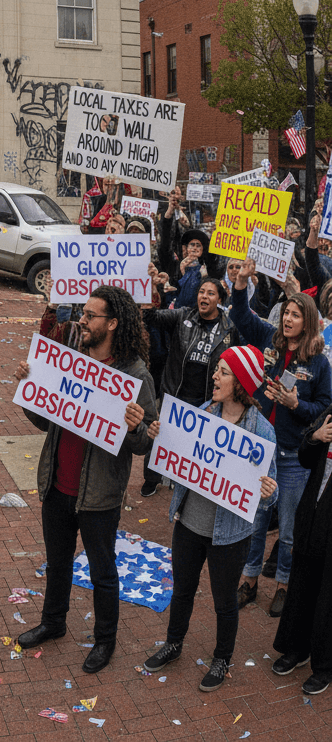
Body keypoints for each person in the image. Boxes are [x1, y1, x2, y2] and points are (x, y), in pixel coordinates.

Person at [14, 286, 156, 674]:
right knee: (58, 563)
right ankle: (53, 622)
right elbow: (44, 420)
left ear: (113, 323)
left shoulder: (135, 375)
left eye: (91, 315)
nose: (82, 320)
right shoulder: (70, 360)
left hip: (98, 495)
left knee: (102, 572)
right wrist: (30, 389)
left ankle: (104, 640)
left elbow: (145, 444)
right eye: (83, 312)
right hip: (57, 484)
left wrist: (134, 428)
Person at [141, 346, 278, 691]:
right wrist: (160, 436)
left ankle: (221, 659)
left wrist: (268, 492)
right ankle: (173, 644)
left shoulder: (262, 432)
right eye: (217, 369)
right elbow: (176, 458)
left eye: (223, 372)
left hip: (229, 535)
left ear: (241, 383)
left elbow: (269, 495)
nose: (214, 376)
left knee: (224, 601)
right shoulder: (202, 413)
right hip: (189, 523)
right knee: (182, 590)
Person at [227, 259, 332, 617]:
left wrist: (295, 404)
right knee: (256, 523)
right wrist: (241, 283)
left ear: (308, 321)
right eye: (286, 312)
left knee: (287, 530)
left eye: (295, 315)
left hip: (291, 458)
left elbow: (324, 407)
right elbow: (241, 316)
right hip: (260, 451)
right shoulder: (268, 338)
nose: (287, 319)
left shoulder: (318, 363)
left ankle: (283, 586)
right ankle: (249, 581)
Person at [140, 277, 239, 497]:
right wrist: (151, 288)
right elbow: (151, 317)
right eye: (201, 291)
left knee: (194, 448)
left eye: (211, 293)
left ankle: (183, 488)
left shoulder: (229, 328)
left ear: (219, 300)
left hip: (204, 399)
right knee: (160, 439)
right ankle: (151, 479)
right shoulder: (183, 315)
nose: (204, 296)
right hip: (175, 393)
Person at [270, 402, 332, 694]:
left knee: (327, 597)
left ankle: (324, 666)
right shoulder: (330, 414)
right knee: (302, 585)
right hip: (312, 516)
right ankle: (297, 648)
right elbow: (305, 458)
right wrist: (315, 437)